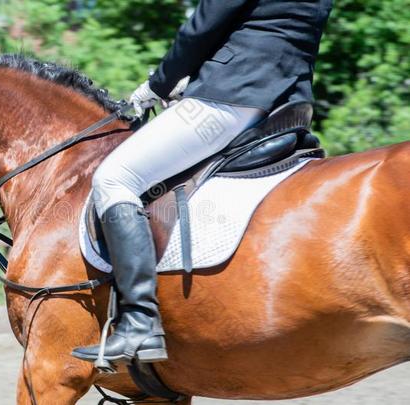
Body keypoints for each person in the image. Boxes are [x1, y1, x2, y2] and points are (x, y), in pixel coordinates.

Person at [72, 0, 333, 365]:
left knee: (115, 178)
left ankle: (139, 323)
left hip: (232, 93)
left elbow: (204, 26)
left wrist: (158, 84)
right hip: (286, 100)